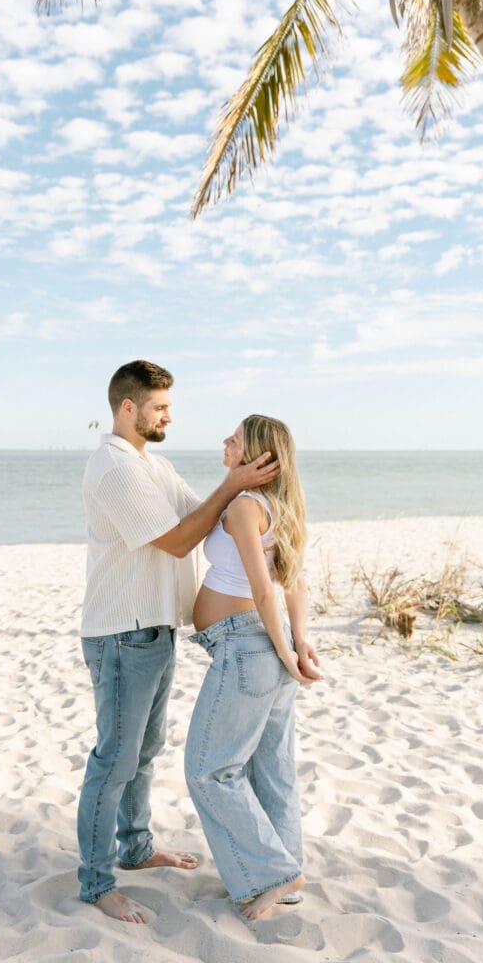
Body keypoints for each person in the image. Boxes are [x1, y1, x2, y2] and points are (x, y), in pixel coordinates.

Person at [78, 362, 279, 924]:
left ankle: (136, 849)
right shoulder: (114, 468)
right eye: (160, 407)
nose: (170, 416)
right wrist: (233, 483)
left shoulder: (153, 465)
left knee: (143, 752)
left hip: (155, 629)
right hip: (121, 633)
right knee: (114, 759)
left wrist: (256, 498)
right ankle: (96, 883)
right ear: (128, 408)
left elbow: (204, 516)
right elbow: (177, 540)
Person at [184, 414, 322, 921]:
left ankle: (271, 874)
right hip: (266, 645)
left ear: (258, 454)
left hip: (247, 646)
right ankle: (286, 876)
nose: (225, 441)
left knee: (208, 769)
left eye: (235, 438)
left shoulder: (245, 507)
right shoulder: (279, 507)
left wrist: (288, 651)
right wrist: (296, 642)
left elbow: (268, 589)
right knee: (272, 768)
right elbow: (296, 582)